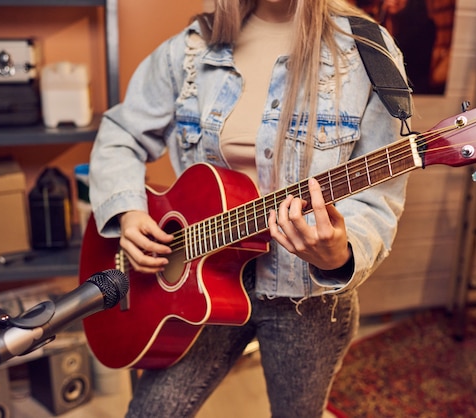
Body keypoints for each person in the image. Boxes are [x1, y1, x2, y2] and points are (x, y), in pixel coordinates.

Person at [88, 0, 411, 416]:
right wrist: (129, 212)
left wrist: (339, 254)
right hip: (199, 277)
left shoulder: (368, 50)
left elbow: (378, 195)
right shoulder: (190, 50)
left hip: (307, 301)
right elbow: (121, 134)